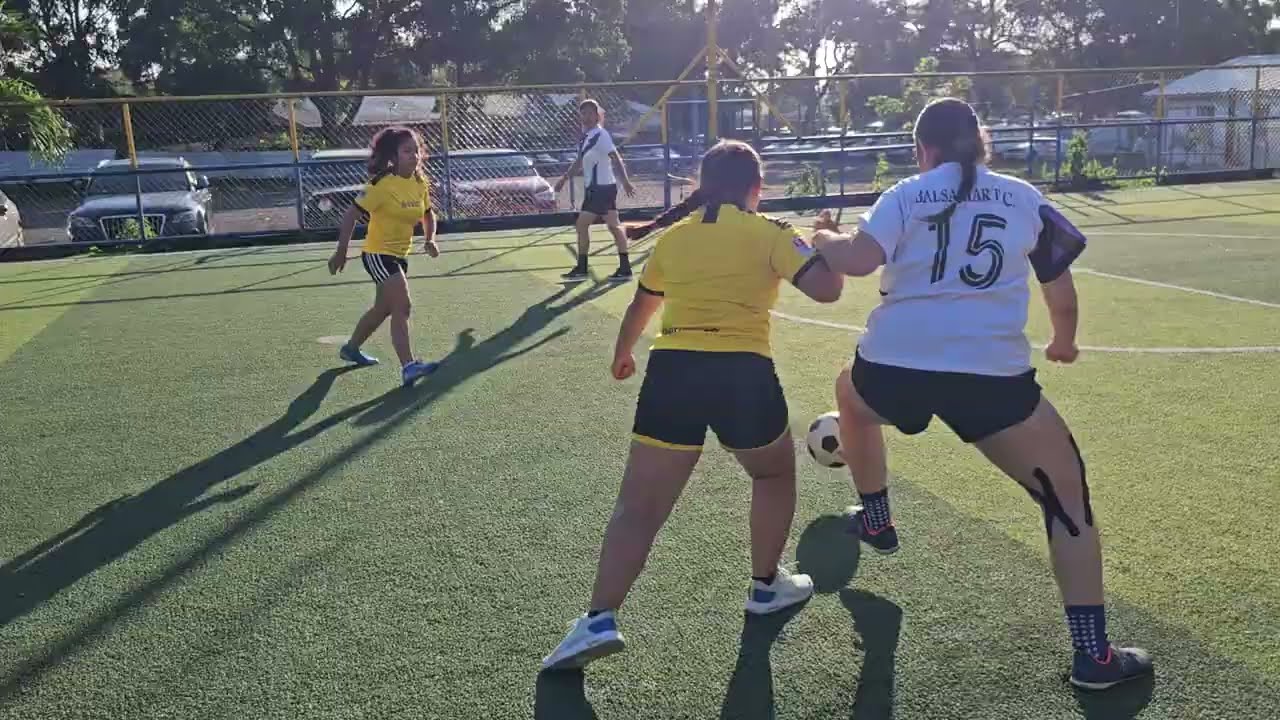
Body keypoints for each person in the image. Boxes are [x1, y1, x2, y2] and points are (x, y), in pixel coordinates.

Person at [812, 97, 1153, 691]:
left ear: (925, 150)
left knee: (850, 392)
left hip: (897, 365)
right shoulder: (1023, 197)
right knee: (1066, 500)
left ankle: (877, 518)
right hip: (991, 378)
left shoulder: (904, 195)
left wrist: (823, 235)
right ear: (983, 143)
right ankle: (1094, 658)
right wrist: (1064, 342)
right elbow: (1060, 288)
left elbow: (860, 260)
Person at [542, 140, 846, 671]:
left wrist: (621, 355)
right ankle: (764, 585)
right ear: (757, 189)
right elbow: (827, 290)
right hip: (742, 374)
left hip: (672, 370)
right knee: (773, 474)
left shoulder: (676, 238)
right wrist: (830, 241)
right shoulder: (772, 232)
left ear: (704, 186)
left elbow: (643, 303)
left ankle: (596, 620)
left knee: (637, 508)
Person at [328, 126, 441, 387]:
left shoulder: (419, 183)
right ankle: (409, 366)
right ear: (394, 155)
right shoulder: (379, 185)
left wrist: (430, 239)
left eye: (416, 151)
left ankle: (351, 349)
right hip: (378, 254)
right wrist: (342, 251)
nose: (414, 156)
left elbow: (428, 213)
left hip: (400, 254)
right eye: (406, 151)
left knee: (383, 309)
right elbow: (350, 216)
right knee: (403, 305)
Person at [554, 99, 637, 283]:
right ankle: (625, 269)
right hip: (598, 189)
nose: (587, 116)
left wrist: (626, 182)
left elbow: (615, 157)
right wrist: (564, 179)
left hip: (602, 189)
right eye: (583, 113)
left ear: (598, 115)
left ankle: (583, 268)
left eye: (591, 113)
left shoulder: (601, 135)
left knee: (582, 225)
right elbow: (579, 162)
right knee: (614, 226)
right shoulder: (587, 136)